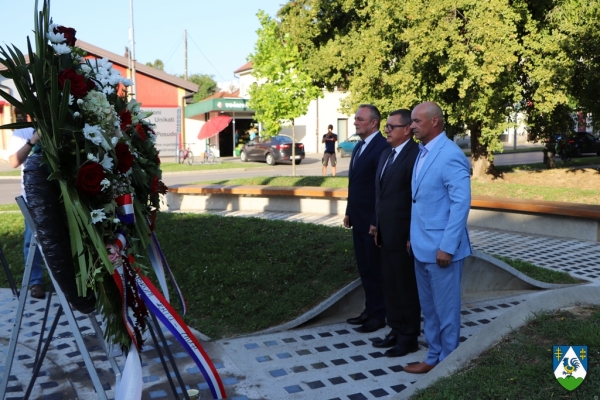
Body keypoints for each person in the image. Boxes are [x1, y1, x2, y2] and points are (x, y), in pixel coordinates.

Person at [404, 101, 472, 374]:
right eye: (411, 121)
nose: (411, 126)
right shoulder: (421, 152)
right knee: (429, 309)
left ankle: (450, 366)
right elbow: (420, 200)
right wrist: (412, 236)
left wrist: (447, 246)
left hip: (442, 250)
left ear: (435, 122)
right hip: (421, 246)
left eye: (417, 121)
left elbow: (461, 204)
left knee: (446, 312)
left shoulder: (450, 154)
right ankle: (433, 357)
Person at [371, 109, 421, 357]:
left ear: (407, 129)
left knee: (405, 287)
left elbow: (416, 199)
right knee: (390, 285)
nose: (386, 130)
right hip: (384, 233)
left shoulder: (415, 156)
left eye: (391, 126)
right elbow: (380, 195)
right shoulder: (384, 154)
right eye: (386, 126)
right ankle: (395, 329)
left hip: (404, 236)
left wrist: (413, 234)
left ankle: (409, 336)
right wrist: (375, 223)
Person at [343, 104, 389, 333]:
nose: (355, 122)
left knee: (375, 269)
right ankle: (369, 310)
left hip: (372, 223)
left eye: (360, 119)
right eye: (355, 119)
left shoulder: (382, 147)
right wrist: (349, 211)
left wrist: (375, 220)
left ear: (373, 123)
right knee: (364, 269)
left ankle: (378, 315)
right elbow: (356, 184)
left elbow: (380, 188)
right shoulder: (359, 147)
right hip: (357, 219)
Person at [8, 127, 45, 299]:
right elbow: (14, 162)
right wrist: (33, 141)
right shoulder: (21, 133)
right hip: (31, 196)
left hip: (57, 193)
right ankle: (35, 281)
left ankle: (69, 282)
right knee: (32, 241)